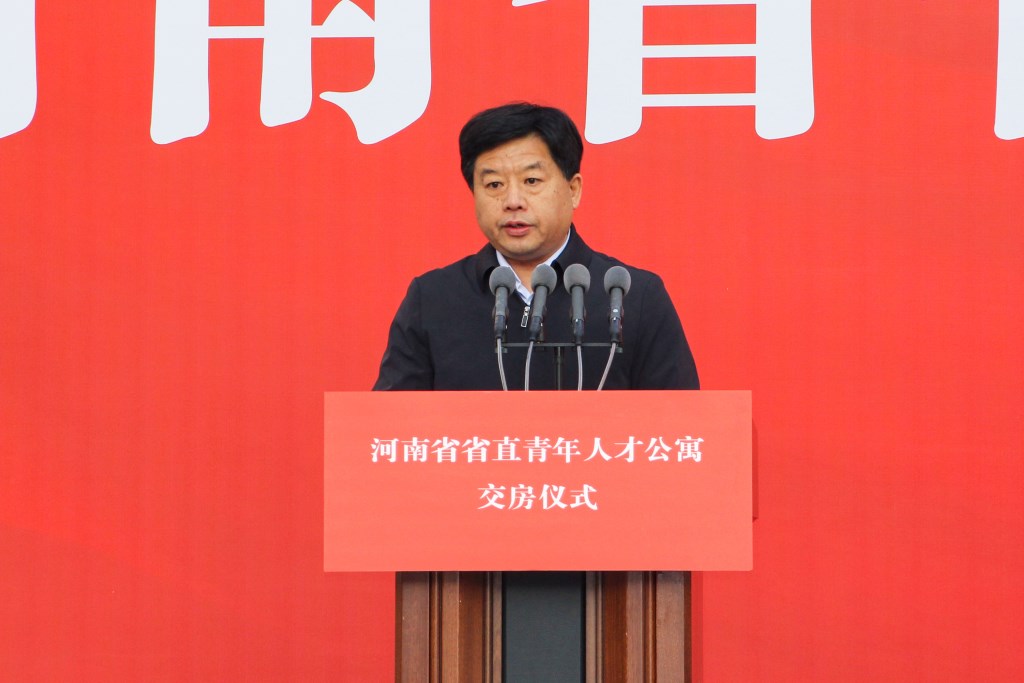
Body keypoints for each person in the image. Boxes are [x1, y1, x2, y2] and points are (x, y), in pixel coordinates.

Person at [373, 102, 698, 391]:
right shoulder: (433, 298)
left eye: (531, 181)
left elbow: (681, 425)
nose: (513, 201)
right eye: (494, 184)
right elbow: (390, 428)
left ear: (573, 190)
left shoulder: (634, 296)